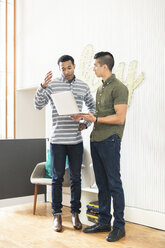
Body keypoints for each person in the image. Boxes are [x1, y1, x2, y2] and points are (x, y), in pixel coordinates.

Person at [34, 55, 95, 232]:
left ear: (74, 66)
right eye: (63, 68)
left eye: (69, 68)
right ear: (59, 68)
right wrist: (43, 86)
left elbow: (93, 107)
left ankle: (75, 213)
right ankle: (57, 215)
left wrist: (86, 123)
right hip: (57, 141)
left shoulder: (83, 86)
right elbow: (38, 105)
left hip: (75, 141)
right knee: (57, 179)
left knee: (76, 178)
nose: (66, 71)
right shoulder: (52, 85)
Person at [72, 52, 128, 242]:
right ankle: (104, 221)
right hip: (96, 140)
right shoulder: (100, 89)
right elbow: (99, 114)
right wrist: (84, 118)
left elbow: (120, 118)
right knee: (102, 185)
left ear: (105, 67)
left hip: (110, 141)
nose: (93, 68)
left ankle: (119, 226)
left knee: (114, 184)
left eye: (95, 65)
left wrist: (95, 119)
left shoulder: (119, 88)